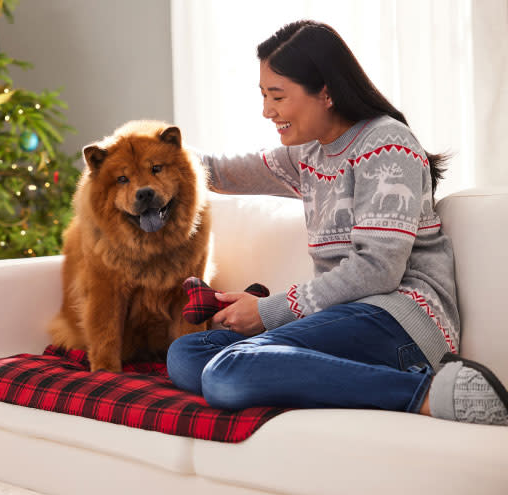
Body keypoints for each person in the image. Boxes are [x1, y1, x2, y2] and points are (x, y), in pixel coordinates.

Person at [167, 20, 508, 425]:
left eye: (277, 96)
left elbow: (377, 270)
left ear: (324, 91)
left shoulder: (386, 144)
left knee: (226, 374)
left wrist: (269, 311)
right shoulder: (307, 154)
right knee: (188, 355)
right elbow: (215, 172)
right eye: (263, 95)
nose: (266, 111)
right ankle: (319, 376)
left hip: (401, 320)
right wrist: (138, 151)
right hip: (340, 321)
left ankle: (428, 393)